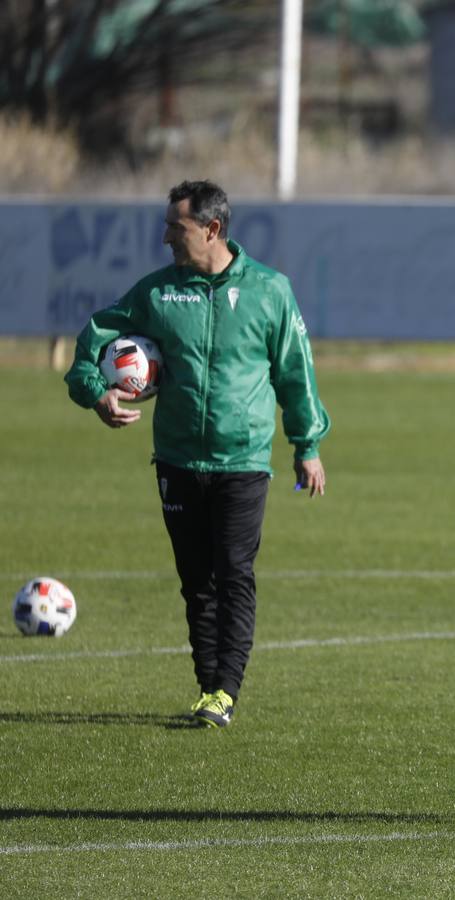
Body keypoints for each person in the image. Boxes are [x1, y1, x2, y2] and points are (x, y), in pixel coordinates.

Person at [65, 180, 330, 728]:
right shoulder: (158, 294)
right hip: (177, 459)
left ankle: (225, 691)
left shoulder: (269, 291)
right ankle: (209, 687)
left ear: (211, 229)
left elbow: (295, 375)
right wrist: (96, 392)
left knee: (234, 573)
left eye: (175, 228)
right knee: (195, 580)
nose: (165, 238)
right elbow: (92, 339)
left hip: (244, 461)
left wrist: (307, 445)